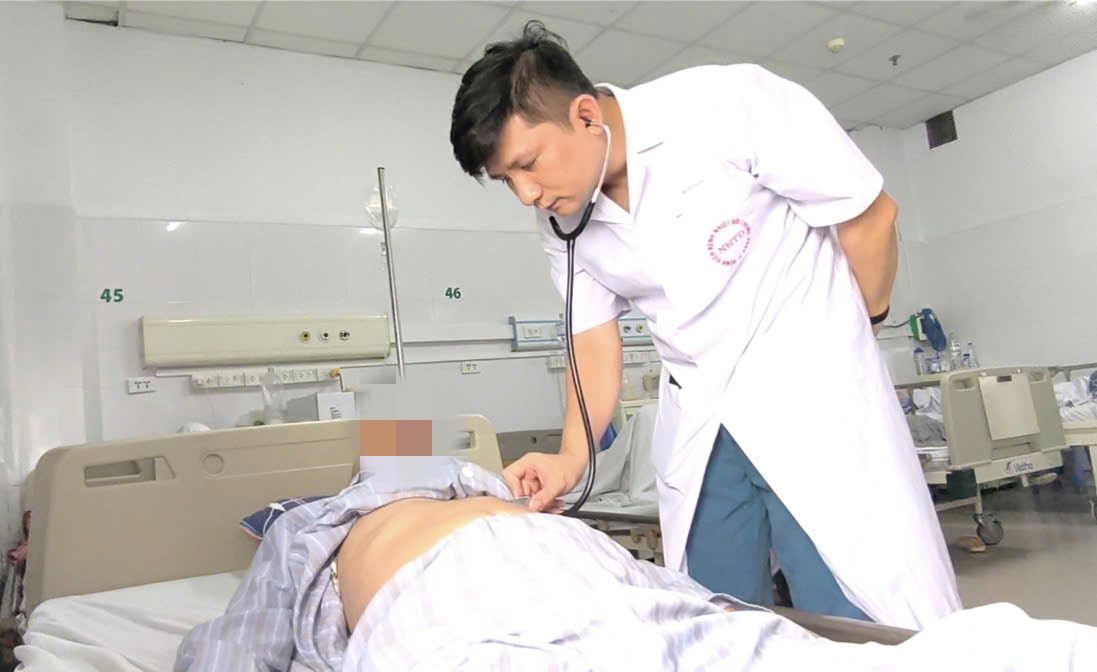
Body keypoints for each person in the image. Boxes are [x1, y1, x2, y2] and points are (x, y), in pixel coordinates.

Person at [449, 21, 961, 628]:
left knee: (858, 617)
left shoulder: (726, 105)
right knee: (716, 618)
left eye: (527, 164)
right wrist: (569, 458)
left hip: (812, 405)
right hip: (701, 422)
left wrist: (859, 329)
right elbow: (591, 342)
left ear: (586, 115)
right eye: (507, 180)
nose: (526, 194)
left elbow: (870, 215)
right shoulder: (563, 220)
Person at [176, 460, 1097, 671]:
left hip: (553, 577)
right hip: (506, 588)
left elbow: (235, 651)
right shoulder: (315, 523)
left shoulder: (322, 527)